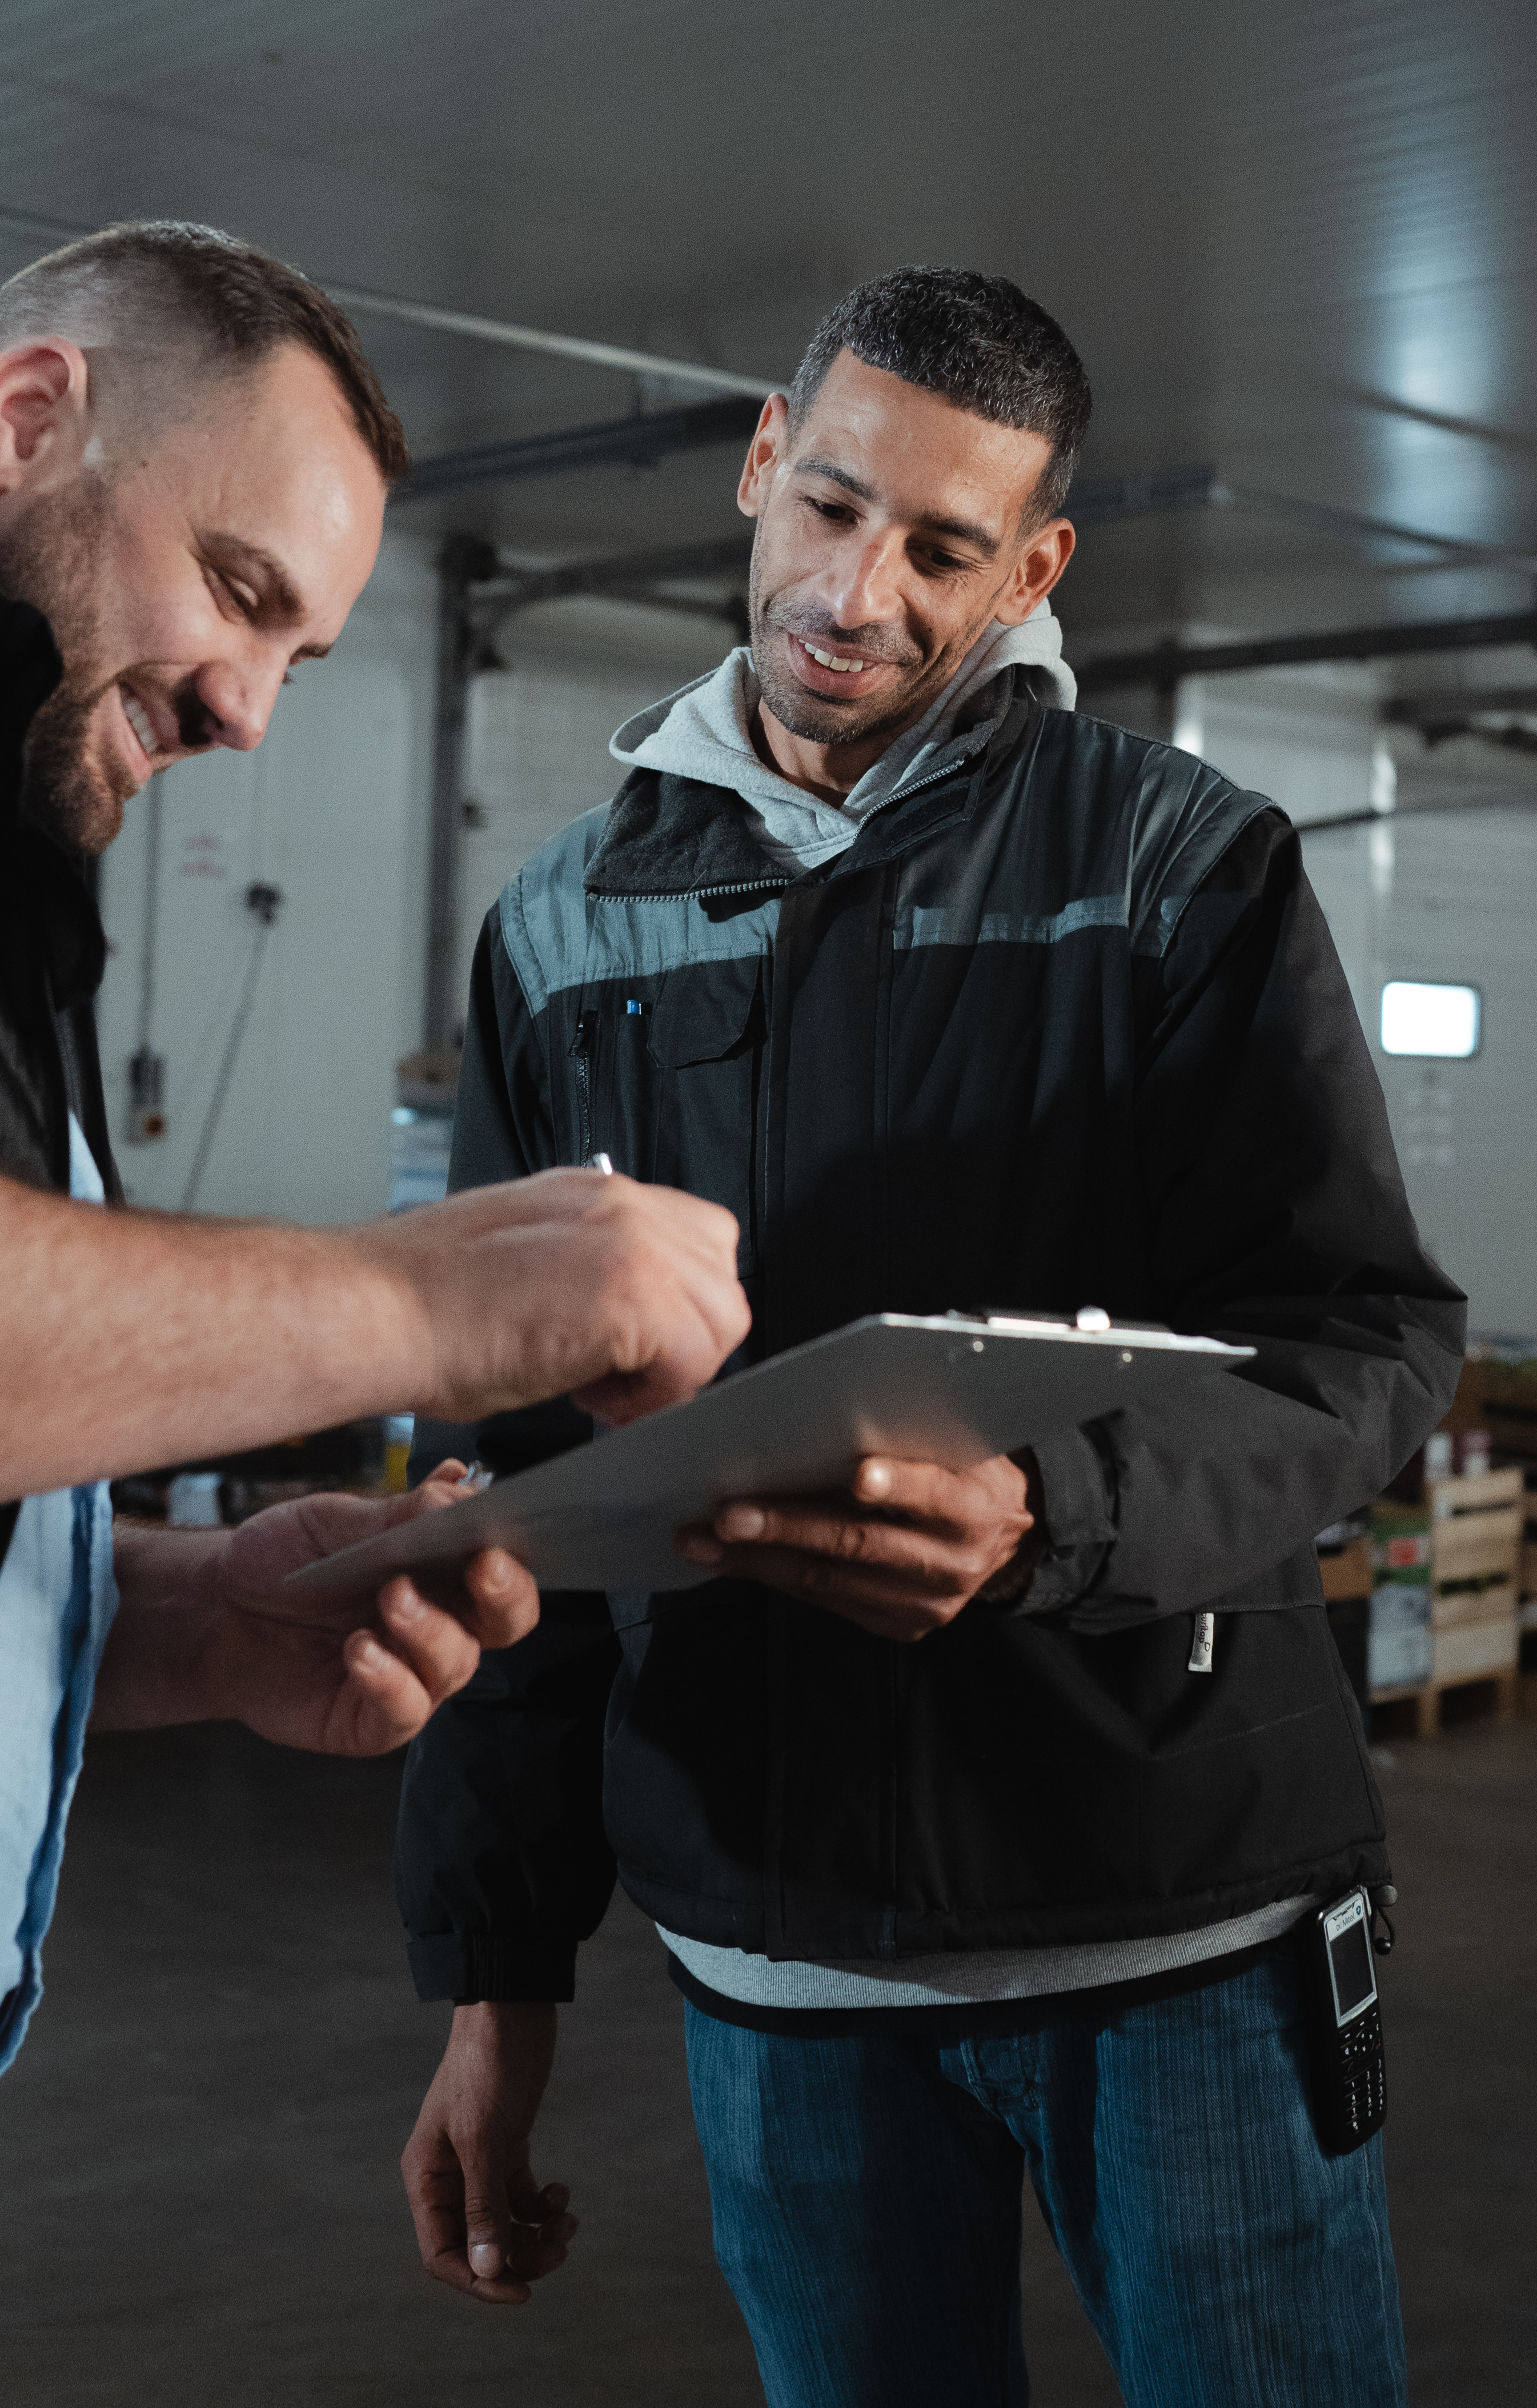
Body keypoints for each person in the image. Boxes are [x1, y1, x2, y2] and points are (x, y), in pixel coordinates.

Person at [0, 222, 749, 2407]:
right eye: (236, 589)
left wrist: (195, 1614)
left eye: (301, 652)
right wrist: (432, 1291)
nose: (244, 708)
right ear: (33, 416)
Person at [394, 266, 1462, 2407]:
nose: (854, 592)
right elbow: (520, 1468)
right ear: (760, 461)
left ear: (1034, 571)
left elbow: (1364, 1341)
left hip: (1177, 1926)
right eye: (831, 505)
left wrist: (1056, 1512)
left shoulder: (1181, 870)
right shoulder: (565, 927)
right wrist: (495, 1980)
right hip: (776, 1954)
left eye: (943, 549)